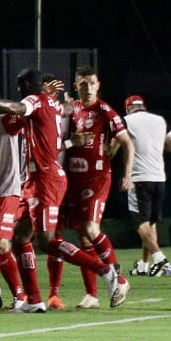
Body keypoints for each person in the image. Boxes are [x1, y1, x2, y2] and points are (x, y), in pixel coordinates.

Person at [0, 69, 127, 311]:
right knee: (20, 236)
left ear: (26, 85)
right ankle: (34, 299)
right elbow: (57, 118)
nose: (18, 91)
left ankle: (106, 271)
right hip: (36, 179)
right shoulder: (51, 104)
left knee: (48, 241)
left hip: (46, 179)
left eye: (20, 86)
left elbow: (18, 108)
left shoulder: (35, 101)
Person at [62, 65, 134, 308]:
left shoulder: (104, 110)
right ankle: (92, 295)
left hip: (97, 178)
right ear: (76, 86)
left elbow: (127, 142)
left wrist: (127, 174)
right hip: (75, 180)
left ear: (98, 85)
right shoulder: (72, 110)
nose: (88, 87)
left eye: (92, 83)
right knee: (82, 236)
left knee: (91, 229)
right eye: (83, 84)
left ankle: (120, 280)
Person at [121, 95, 171, 276]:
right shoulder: (160, 120)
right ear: (143, 106)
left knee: (140, 222)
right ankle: (143, 265)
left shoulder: (126, 121)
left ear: (127, 108)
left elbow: (116, 145)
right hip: (159, 177)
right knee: (150, 224)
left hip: (139, 177)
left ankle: (160, 259)